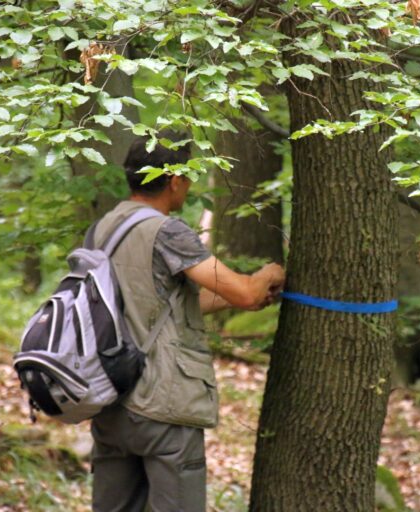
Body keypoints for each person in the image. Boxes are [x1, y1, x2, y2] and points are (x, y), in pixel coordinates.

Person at [89, 133, 285, 512]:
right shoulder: (168, 230)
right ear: (175, 180)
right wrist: (268, 274)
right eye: (189, 177)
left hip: (110, 400)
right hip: (163, 405)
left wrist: (245, 298)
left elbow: (158, 303)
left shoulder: (104, 229)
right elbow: (244, 291)